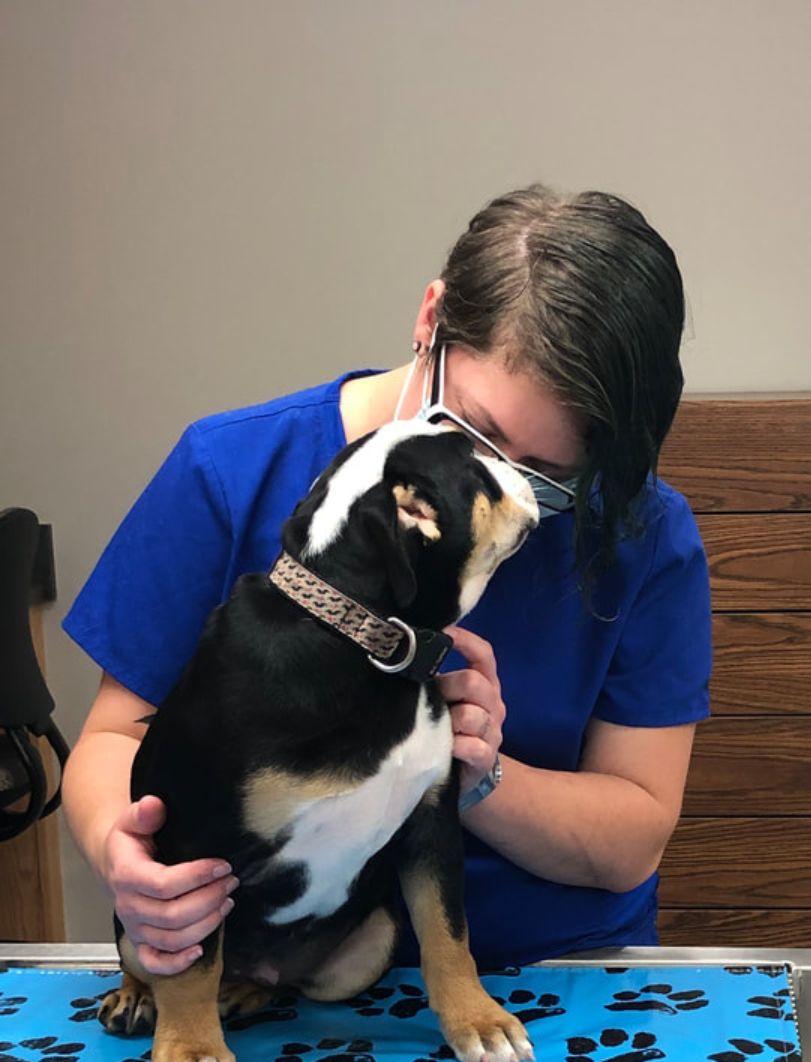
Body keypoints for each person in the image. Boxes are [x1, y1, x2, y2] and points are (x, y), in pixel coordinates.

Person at [60, 184, 712, 978]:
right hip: (267, 976)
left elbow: (632, 839)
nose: (497, 484)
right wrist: (121, 853)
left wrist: (468, 769)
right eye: (476, 429)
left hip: (547, 978)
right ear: (430, 322)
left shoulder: (641, 533)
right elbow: (115, 739)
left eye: (545, 478)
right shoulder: (230, 473)